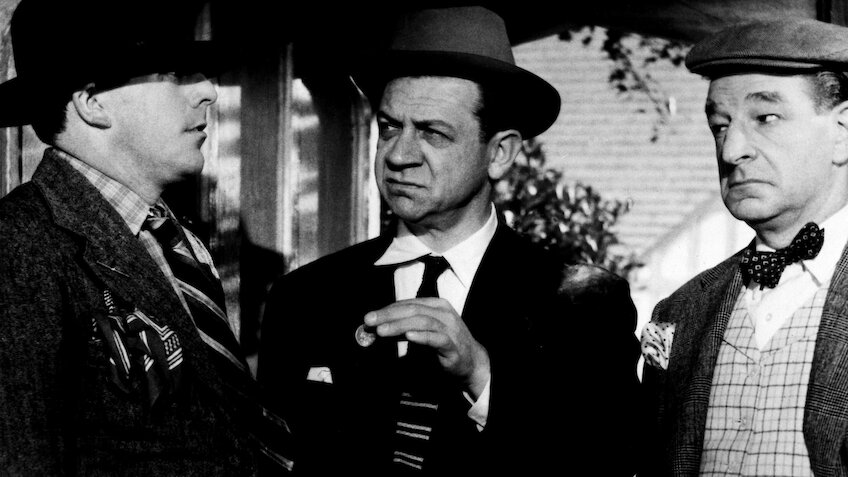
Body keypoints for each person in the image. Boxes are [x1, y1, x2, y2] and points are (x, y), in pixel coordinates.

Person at [259, 6, 643, 476]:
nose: (399, 155)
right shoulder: (304, 298)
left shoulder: (583, 305)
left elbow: (608, 460)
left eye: (432, 133)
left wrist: (481, 374)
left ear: (499, 153)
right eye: (389, 127)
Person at [0, 0, 285, 474]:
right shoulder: (18, 248)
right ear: (93, 104)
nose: (209, 91)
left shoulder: (173, 237)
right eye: (173, 74)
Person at [640, 17, 848, 476]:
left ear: (843, 130)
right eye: (719, 125)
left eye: (765, 118)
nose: (731, 150)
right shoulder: (679, 312)